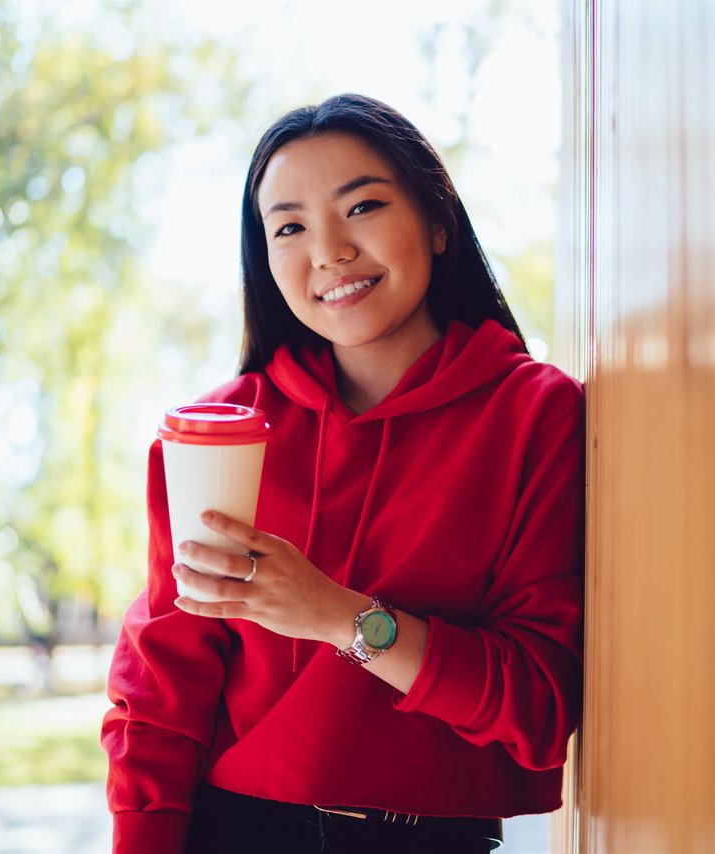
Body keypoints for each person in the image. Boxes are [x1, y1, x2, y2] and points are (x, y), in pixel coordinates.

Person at [102, 93, 584, 853]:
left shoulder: (537, 415)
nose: (327, 251)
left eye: (361, 206)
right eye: (289, 226)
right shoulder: (214, 433)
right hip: (231, 830)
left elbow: (540, 700)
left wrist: (334, 614)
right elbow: (161, 684)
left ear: (437, 221)